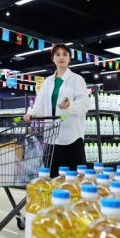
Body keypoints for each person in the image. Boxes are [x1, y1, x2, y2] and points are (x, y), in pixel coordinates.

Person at [23, 43, 91, 175]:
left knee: (74, 178)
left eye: (65, 54)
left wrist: (70, 105)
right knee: (53, 176)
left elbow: (84, 104)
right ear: (53, 58)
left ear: (69, 58)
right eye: (57, 54)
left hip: (72, 137)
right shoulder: (47, 81)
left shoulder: (77, 80)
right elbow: (40, 104)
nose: (61, 57)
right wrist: (30, 114)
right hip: (52, 136)